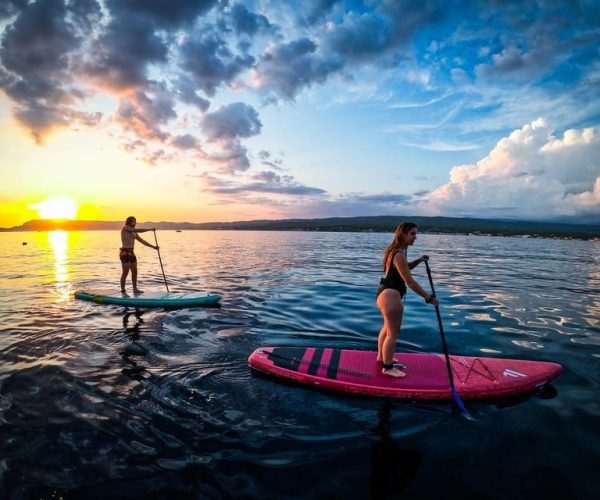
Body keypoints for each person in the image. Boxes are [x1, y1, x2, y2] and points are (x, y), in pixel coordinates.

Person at [376, 222, 439, 377]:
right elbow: (410, 281)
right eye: (412, 233)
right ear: (402, 234)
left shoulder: (395, 251)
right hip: (390, 296)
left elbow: (403, 268)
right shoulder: (398, 253)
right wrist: (428, 297)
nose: (415, 237)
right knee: (393, 333)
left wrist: (418, 260)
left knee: (387, 328)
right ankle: (388, 367)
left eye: (416, 234)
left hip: (385, 294)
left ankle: (381, 357)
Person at [120, 216, 158, 295]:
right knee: (125, 272)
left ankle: (135, 289)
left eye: (135, 221)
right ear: (128, 222)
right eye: (132, 221)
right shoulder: (125, 228)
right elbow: (139, 230)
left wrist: (154, 247)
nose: (134, 223)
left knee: (135, 271)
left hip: (132, 253)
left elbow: (142, 241)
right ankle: (123, 291)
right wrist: (150, 230)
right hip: (125, 253)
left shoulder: (134, 233)